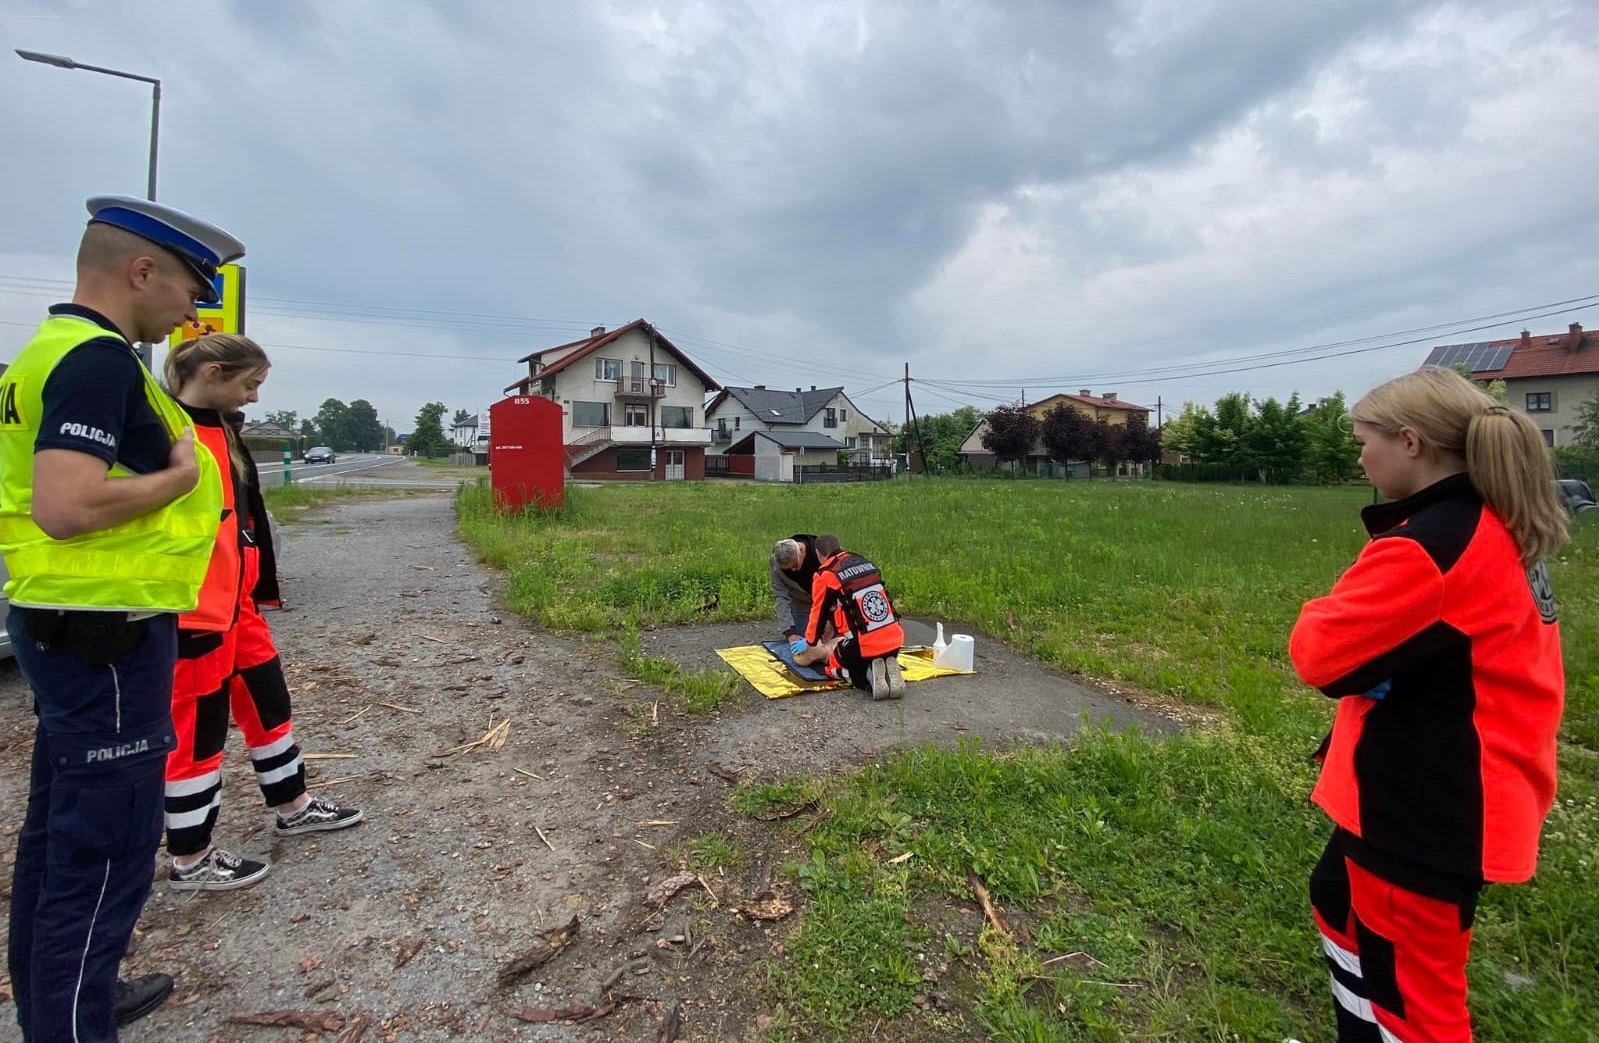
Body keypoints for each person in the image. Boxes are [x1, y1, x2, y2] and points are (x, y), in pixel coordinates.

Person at [0, 195, 241, 1041]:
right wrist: (177, 480)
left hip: (69, 619)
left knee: (57, 829)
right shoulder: (98, 361)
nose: (193, 310)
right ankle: (72, 1025)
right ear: (142, 271)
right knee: (104, 849)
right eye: (187, 288)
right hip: (104, 632)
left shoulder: (46, 352)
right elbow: (67, 503)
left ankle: (65, 1002)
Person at [1288, 367, 1569, 1043]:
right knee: (1337, 898)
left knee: (1415, 1001)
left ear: (1409, 442)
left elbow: (1317, 651)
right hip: (1443, 785)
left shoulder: (1432, 544)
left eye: (1364, 439)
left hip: (1426, 805)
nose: (1359, 455)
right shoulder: (1486, 520)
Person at [161, 334, 362, 891]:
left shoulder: (222, 427)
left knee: (269, 703)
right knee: (197, 733)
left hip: (238, 603)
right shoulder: (168, 429)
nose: (253, 399)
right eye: (249, 385)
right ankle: (190, 856)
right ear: (215, 373)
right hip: (193, 610)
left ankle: (292, 804)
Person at [795, 534, 907, 700]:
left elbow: (818, 612)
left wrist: (810, 641)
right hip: (895, 639)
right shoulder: (865, 562)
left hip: (863, 645)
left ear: (818, 554)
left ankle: (867, 679)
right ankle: (886, 667)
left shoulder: (825, 574)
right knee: (866, 650)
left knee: (832, 666)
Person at [770, 534, 822, 656]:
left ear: (801, 550)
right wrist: (790, 633)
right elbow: (780, 596)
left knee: (828, 642)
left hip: (828, 604)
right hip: (802, 604)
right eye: (788, 569)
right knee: (805, 648)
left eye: (794, 565)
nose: (793, 570)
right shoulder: (775, 562)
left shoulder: (822, 553)